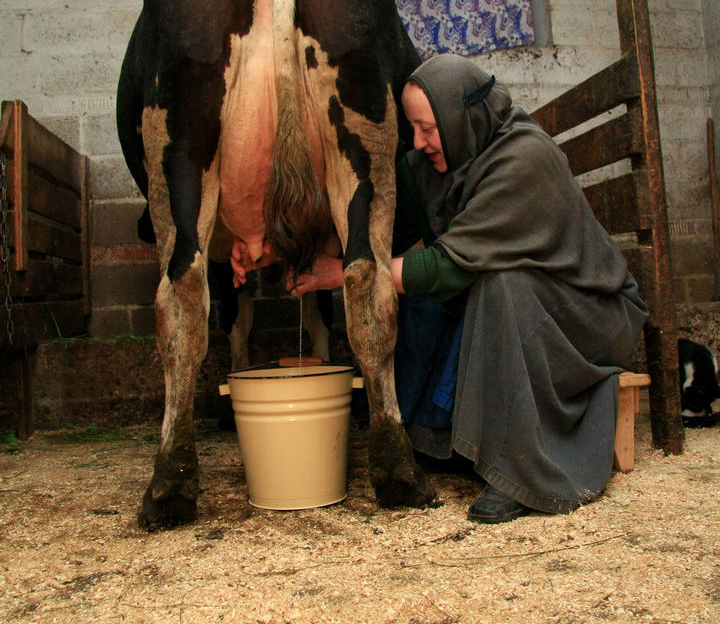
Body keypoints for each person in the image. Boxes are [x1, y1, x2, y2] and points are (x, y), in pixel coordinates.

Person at [239, 54, 649, 524]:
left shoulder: (525, 160)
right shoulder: (444, 162)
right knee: (417, 289)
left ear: (463, 117)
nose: (418, 142)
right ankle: (434, 433)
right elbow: (383, 234)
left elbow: (449, 268)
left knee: (495, 284)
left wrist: (344, 274)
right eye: (414, 128)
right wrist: (282, 248)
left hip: (589, 315)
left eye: (428, 128)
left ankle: (519, 471)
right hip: (532, 305)